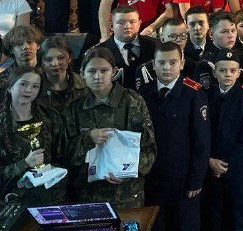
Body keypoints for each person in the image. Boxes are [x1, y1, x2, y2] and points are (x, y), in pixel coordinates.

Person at [139, 41, 210, 231]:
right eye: (161, 63)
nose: (167, 68)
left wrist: (195, 180)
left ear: (182, 63)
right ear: (153, 64)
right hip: (153, 177)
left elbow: (202, 141)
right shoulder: (144, 92)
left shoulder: (193, 93)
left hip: (183, 179)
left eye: (172, 62)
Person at [65, 46, 156, 208]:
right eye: (92, 71)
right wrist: (88, 139)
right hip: (88, 195)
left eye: (104, 71)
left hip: (126, 196)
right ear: (82, 73)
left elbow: (149, 149)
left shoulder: (132, 101)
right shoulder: (75, 107)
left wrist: (128, 174)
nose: (98, 76)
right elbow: (65, 152)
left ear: (114, 72)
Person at [204, 46, 243, 231]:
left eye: (232, 70)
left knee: (241, 217)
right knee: (215, 218)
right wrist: (210, 161)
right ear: (214, 72)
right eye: (223, 70)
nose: (228, 74)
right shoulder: (206, 96)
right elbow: (202, 134)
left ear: (239, 72)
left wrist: (223, 164)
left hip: (237, 169)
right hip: (211, 168)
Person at [0, 66, 68, 206]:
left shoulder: (51, 117)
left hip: (52, 196)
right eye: (23, 84)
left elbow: (64, 156)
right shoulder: (2, 124)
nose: (29, 90)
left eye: (35, 86)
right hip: (15, 202)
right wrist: (24, 163)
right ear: (10, 87)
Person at [97, 5, 158, 89]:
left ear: (139, 24)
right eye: (121, 22)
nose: (127, 27)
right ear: (111, 26)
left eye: (132, 22)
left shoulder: (155, 46)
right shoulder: (100, 52)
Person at [36, 35, 88, 112]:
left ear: (69, 58)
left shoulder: (83, 85)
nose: (55, 63)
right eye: (48, 59)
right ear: (42, 62)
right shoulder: (35, 87)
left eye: (61, 58)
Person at [0, 25, 43, 91]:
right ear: (11, 50)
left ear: (38, 45)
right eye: (19, 44)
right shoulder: (4, 78)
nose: (25, 47)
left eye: (29, 42)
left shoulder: (48, 72)